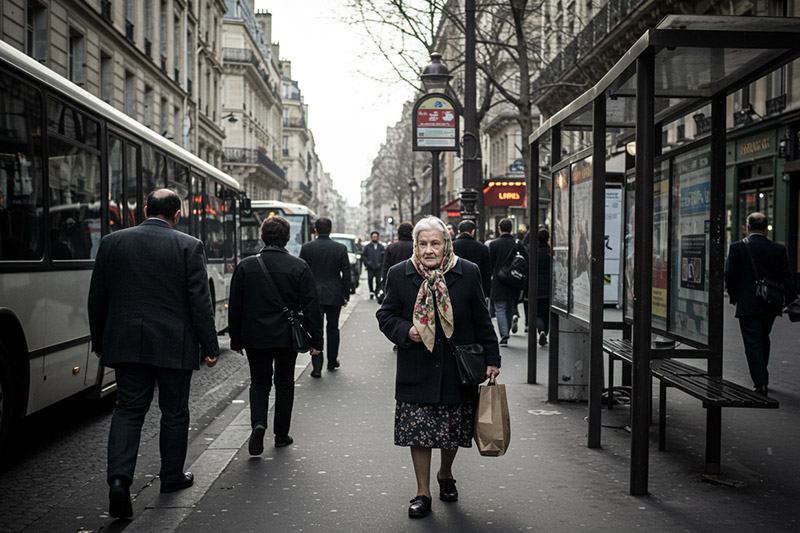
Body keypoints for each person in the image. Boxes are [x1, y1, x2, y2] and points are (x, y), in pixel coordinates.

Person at [87, 189, 220, 519]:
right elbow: (200, 302)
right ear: (177, 215)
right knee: (174, 411)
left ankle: (119, 481)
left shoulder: (112, 242)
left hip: (126, 343)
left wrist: (100, 341)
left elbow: (97, 297)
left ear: (144, 210)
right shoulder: (189, 245)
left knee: (128, 410)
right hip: (174, 343)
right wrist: (210, 346)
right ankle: (171, 477)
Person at [376, 216, 500, 519]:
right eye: (423, 244)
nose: (429, 250)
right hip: (416, 367)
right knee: (418, 432)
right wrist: (407, 331)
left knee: (450, 431)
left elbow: (482, 318)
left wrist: (492, 359)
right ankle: (423, 492)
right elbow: (386, 315)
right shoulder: (399, 274)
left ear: (446, 244)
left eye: (435, 243)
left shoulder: (467, 272)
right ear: (415, 246)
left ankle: (445, 473)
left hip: (456, 369)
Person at [228, 215, 324, 455]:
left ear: (262, 237)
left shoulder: (246, 266)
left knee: (259, 381)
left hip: (255, 335)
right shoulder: (298, 266)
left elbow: (236, 305)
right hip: (286, 336)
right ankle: (281, 434)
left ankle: (258, 423)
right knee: (284, 383)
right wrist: (317, 341)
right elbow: (312, 306)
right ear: (287, 239)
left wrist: (236, 339)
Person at [724, 212, 797, 395]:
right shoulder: (778, 249)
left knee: (753, 343)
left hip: (748, 304)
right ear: (766, 229)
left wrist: (734, 296)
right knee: (764, 338)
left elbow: (730, 276)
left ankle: (760, 382)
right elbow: (787, 277)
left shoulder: (737, 248)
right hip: (771, 303)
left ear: (748, 227)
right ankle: (762, 374)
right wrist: (792, 300)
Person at [300, 217, 350, 376]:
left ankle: (317, 366)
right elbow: (346, 274)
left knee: (316, 329)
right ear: (330, 230)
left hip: (313, 294)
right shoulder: (340, 248)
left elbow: (301, 273)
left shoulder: (306, 248)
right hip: (334, 293)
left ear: (315, 230)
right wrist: (346, 294)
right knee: (333, 328)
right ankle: (332, 360)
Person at [488, 218, 528, 346]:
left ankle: (504, 335)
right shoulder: (517, 244)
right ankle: (507, 329)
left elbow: (490, 264)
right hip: (514, 280)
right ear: (511, 229)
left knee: (500, 309)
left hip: (499, 280)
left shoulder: (494, 245)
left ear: (499, 229)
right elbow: (526, 261)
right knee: (510, 306)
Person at [452, 219, 491, 292]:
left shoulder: (451, 246)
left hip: (455, 287)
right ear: (473, 231)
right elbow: (486, 273)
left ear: (459, 231)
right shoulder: (483, 248)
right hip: (476, 287)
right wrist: (486, 292)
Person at [381, 221, 415, 288]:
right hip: (412, 282)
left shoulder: (391, 247)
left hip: (394, 282)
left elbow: (385, 267)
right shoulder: (416, 247)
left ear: (398, 233)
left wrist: (385, 283)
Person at [536, 228, 552, 346]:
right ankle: (545, 331)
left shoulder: (534, 251)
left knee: (537, 312)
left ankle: (541, 329)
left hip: (536, 286)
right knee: (546, 312)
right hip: (549, 286)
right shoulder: (551, 252)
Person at [361, 231, 385, 299]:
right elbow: (364, 255)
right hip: (370, 267)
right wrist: (367, 263)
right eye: (373, 237)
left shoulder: (381, 247)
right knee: (370, 280)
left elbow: (384, 256)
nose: (374, 238)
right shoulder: (367, 247)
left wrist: (381, 264)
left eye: (376, 237)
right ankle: (371, 292)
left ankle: (376, 291)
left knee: (378, 281)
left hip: (378, 267)